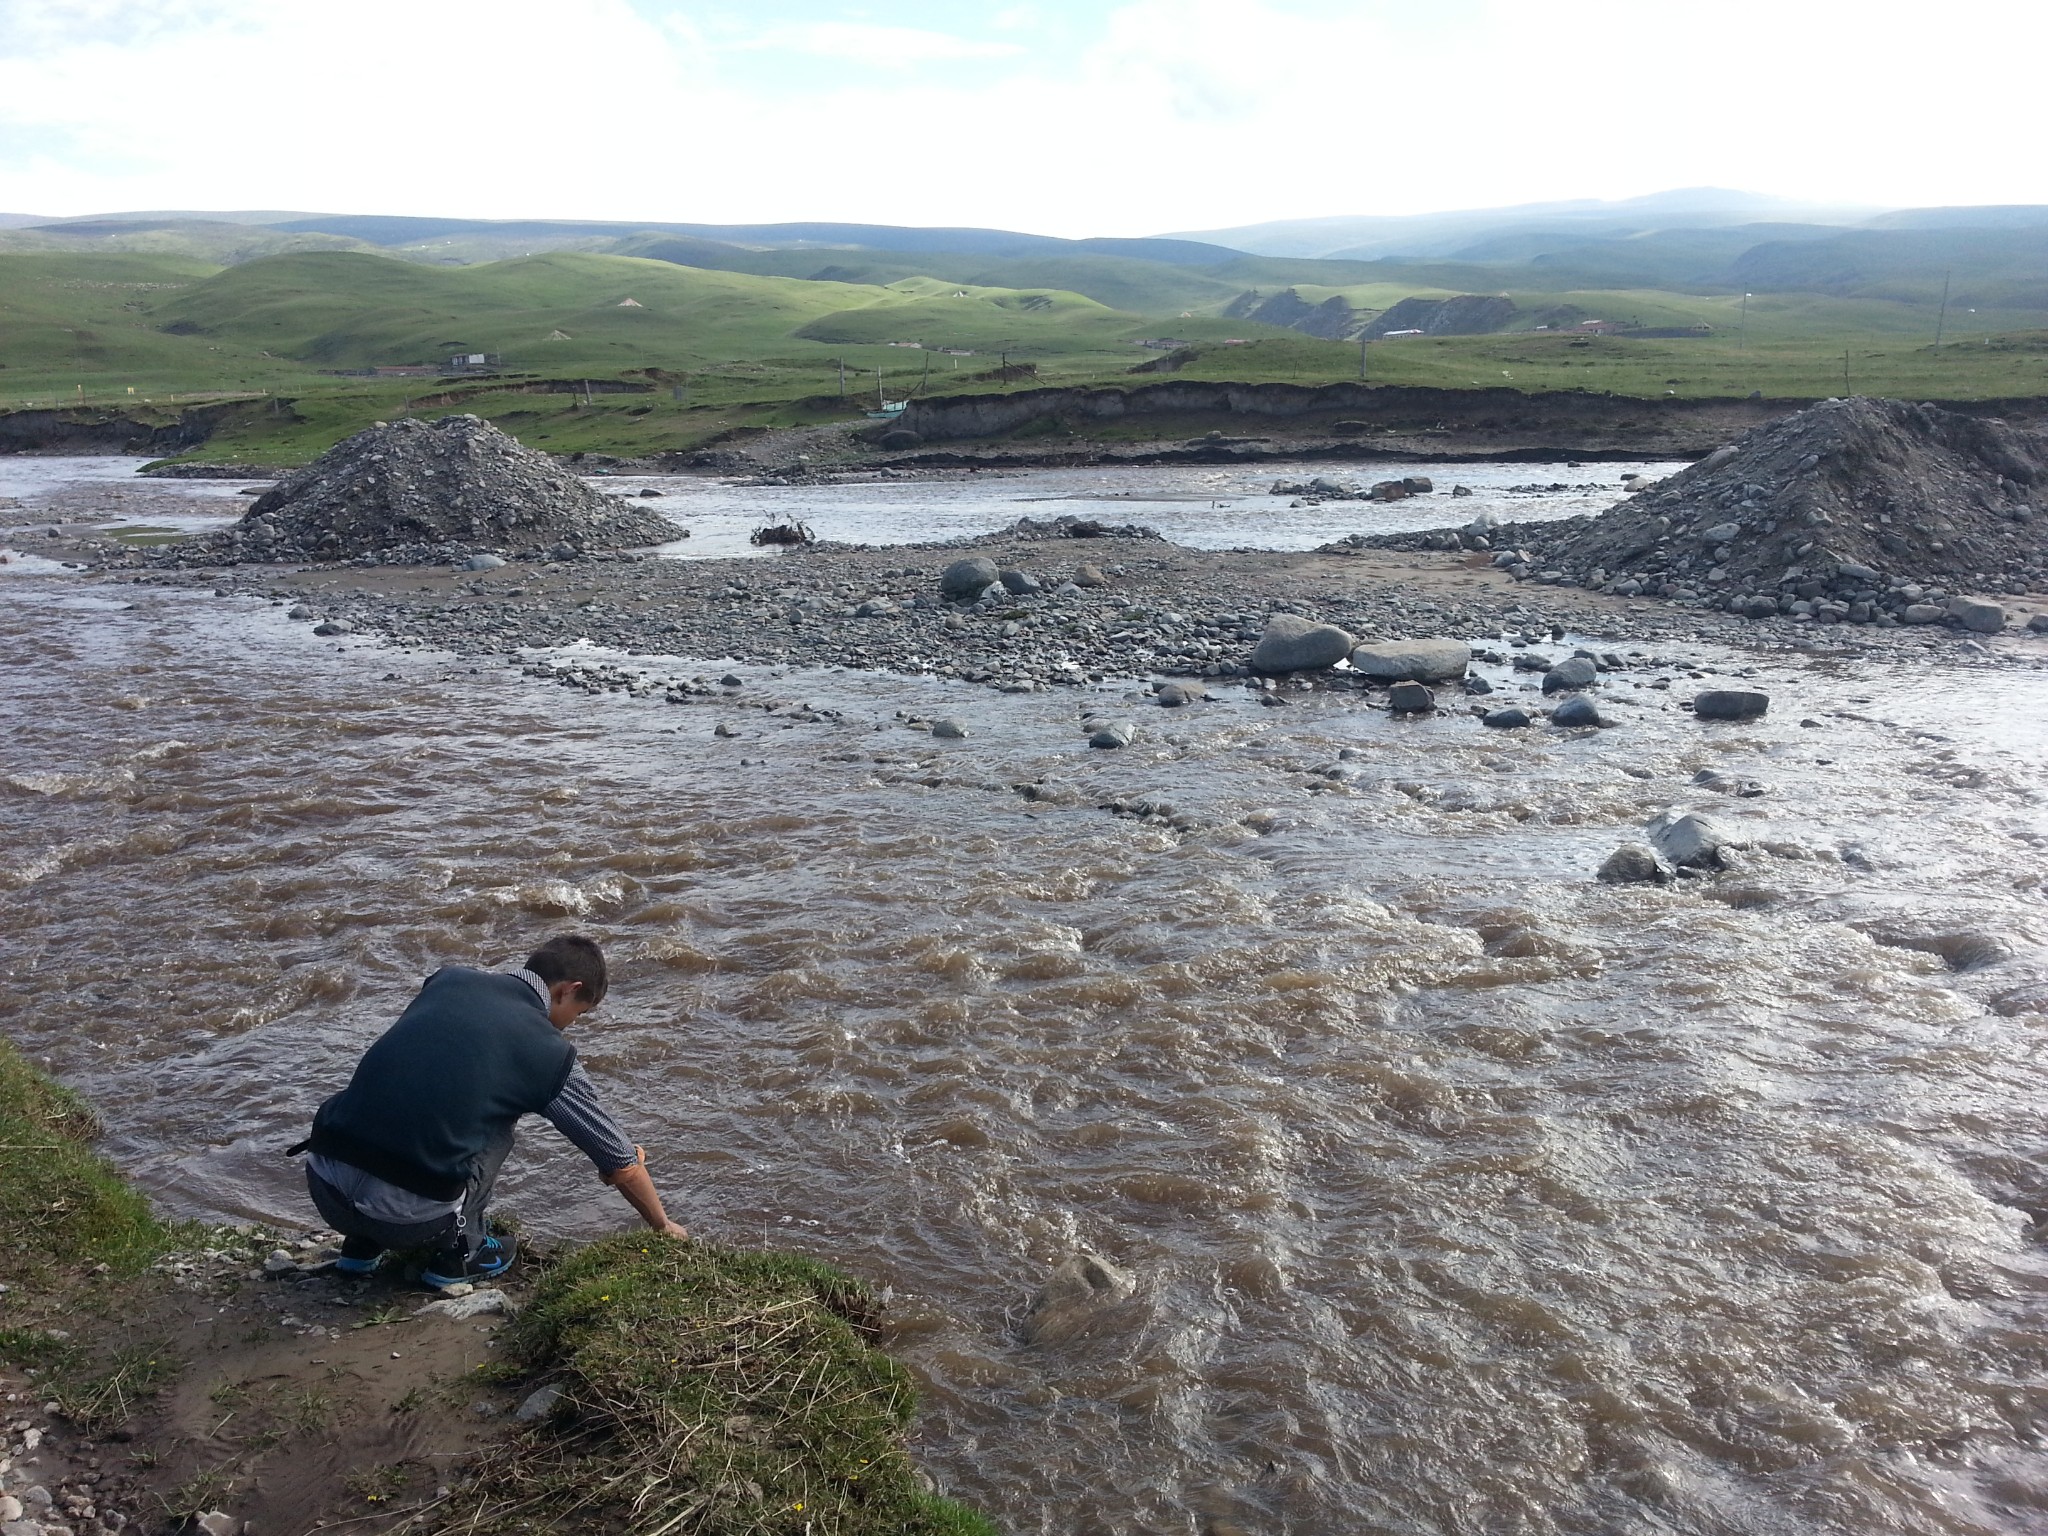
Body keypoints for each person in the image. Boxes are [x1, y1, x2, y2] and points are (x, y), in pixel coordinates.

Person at [293, 934, 686, 1288]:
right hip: (406, 1221)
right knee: (497, 1125)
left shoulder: (447, 980)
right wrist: (663, 1226)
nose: (570, 1026)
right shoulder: (548, 1052)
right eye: (579, 1014)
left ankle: (360, 1249)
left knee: (416, 1081)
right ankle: (461, 1254)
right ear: (569, 990)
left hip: (325, 1186)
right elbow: (620, 1163)